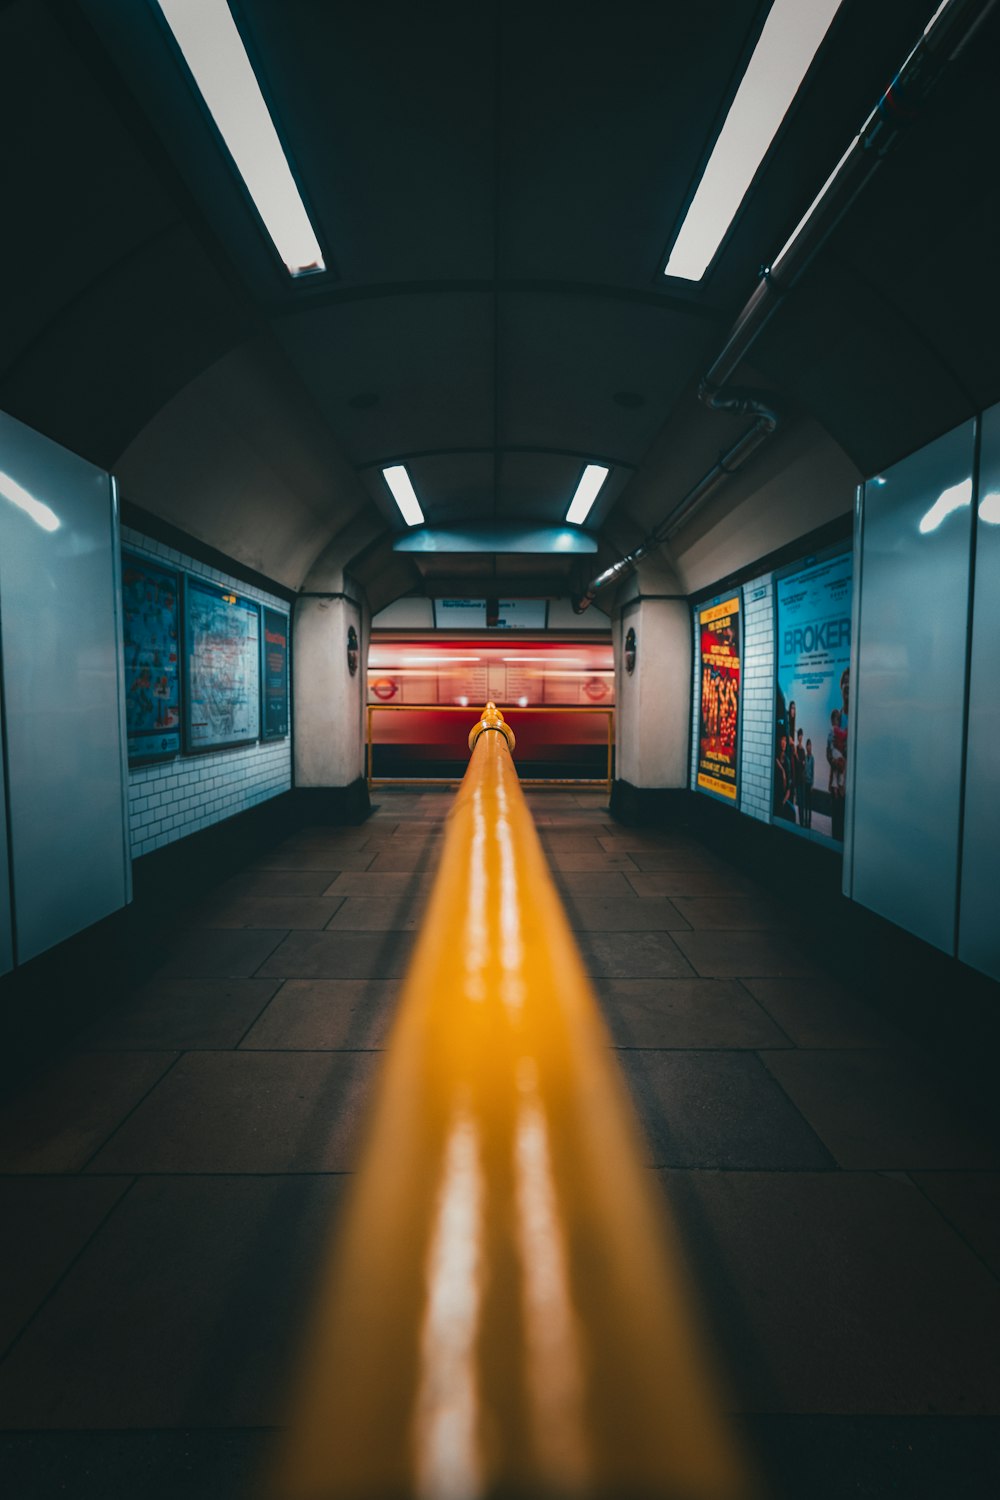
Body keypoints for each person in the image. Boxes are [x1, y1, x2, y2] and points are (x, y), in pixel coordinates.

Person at [801, 737, 815, 828]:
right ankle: (805, 819)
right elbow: (803, 769)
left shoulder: (812, 758)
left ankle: (809, 821)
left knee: (809, 804)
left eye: (809, 745)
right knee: (805, 802)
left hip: (810, 782)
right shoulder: (805, 757)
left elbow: (813, 771)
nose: (808, 747)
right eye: (807, 745)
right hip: (805, 782)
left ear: (811, 746)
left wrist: (812, 784)